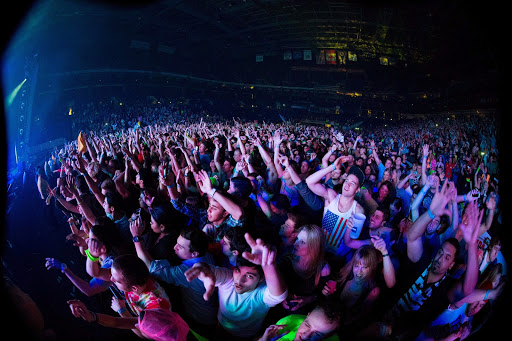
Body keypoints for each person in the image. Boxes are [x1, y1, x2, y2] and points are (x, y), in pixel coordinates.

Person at [357, 180, 483, 340]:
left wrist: (472, 245)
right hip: (380, 317)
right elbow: (412, 237)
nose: (440, 258)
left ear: (452, 265)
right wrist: (431, 213)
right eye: (440, 252)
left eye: (447, 257)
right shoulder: (423, 262)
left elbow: (467, 289)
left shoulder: (446, 288)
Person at [184, 232, 288, 340]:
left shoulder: (261, 293)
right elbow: (210, 270)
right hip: (221, 327)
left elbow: (278, 295)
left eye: (249, 276)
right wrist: (201, 267)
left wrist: (268, 266)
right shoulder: (229, 278)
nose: (239, 280)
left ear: (261, 278)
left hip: (246, 336)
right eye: (238, 271)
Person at [130, 218, 219, 338]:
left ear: (194, 254)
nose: (174, 247)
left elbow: (151, 267)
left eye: (180, 247)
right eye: (177, 243)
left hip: (200, 320)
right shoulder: (206, 254)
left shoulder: (187, 272)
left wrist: (136, 237)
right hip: (211, 313)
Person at [305, 156, 365, 263]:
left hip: (337, 258)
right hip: (318, 249)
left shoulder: (358, 211)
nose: (347, 184)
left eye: (353, 183)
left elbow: (352, 241)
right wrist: (332, 166)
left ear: (357, 189)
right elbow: (309, 182)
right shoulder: (332, 196)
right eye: (347, 180)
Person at [276, 224, 330, 318]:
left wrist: (307, 300)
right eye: (297, 239)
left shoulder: (323, 268)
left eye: (303, 242)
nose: (295, 244)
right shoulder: (285, 261)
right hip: (279, 311)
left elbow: (322, 296)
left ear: (314, 247)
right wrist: (281, 297)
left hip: (304, 315)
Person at [67, 301, 191, 341]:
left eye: (140, 326)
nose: (136, 324)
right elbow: (119, 322)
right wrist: (92, 316)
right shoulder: (170, 325)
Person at [257, 301, 342, 341]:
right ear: (307, 316)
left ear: (328, 336)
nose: (304, 336)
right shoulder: (289, 321)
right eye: (307, 325)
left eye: (318, 334)